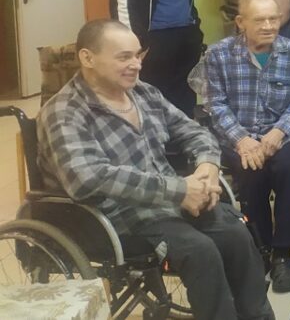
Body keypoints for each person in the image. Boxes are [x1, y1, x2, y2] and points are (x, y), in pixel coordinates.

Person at [38, 19, 272, 320]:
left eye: (138, 55)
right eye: (124, 57)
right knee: (200, 251)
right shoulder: (65, 112)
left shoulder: (144, 94)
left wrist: (207, 166)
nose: (136, 65)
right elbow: (88, 178)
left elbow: (194, 132)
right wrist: (179, 190)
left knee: (236, 234)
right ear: (88, 58)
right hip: (114, 216)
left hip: (169, 201)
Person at [202, 0, 290, 293]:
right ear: (241, 22)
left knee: (288, 169)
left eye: (273, 19)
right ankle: (260, 248)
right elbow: (215, 104)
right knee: (251, 173)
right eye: (260, 19)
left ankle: (282, 254)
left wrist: (279, 131)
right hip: (239, 134)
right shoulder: (218, 55)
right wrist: (242, 139)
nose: (268, 26)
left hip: (283, 133)